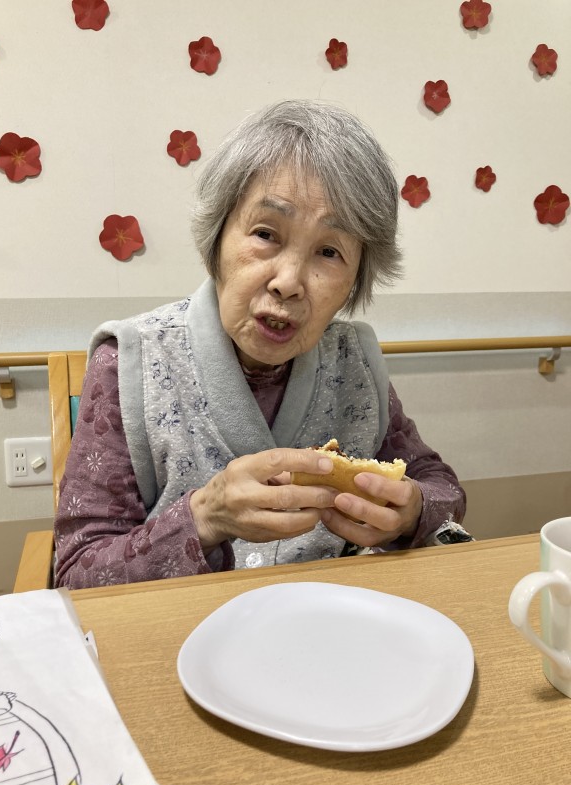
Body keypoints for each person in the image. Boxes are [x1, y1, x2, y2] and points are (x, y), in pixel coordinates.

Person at [54, 100, 466, 589]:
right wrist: (205, 517)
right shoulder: (129, 362)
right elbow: (76, 574)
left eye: (329, 252)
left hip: (330, 617)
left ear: (356, 281)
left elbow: (440, 486)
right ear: (218, 239)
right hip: (188, 627)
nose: (288, 282)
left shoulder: (352, 361)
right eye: (266, 233)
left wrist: (412, 511)